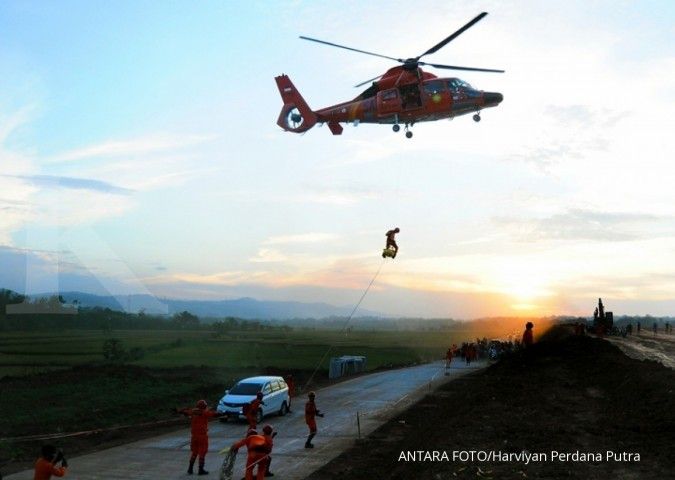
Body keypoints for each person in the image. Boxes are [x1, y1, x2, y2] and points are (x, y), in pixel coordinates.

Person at [176, 399, 226, 475]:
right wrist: (222, 413)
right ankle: (200, 469)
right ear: (204, 406)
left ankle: (190, 468)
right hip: (202, 436)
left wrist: (179, 410)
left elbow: (185, 412)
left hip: (194, 436)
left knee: (194, 452)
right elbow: (214, 414)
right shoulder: (205, 413)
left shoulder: (193, 412)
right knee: (202, 452)